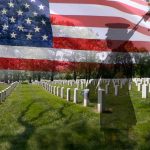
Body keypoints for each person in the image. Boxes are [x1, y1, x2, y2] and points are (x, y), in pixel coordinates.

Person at [100, 23, 137, 146]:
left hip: (118, 105)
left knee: (120, 141)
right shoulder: (111, 56)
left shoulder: (124, 57)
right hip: (109, 103)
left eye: (109, 35)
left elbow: (122, 82)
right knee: (109, 141)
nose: (106, 38)